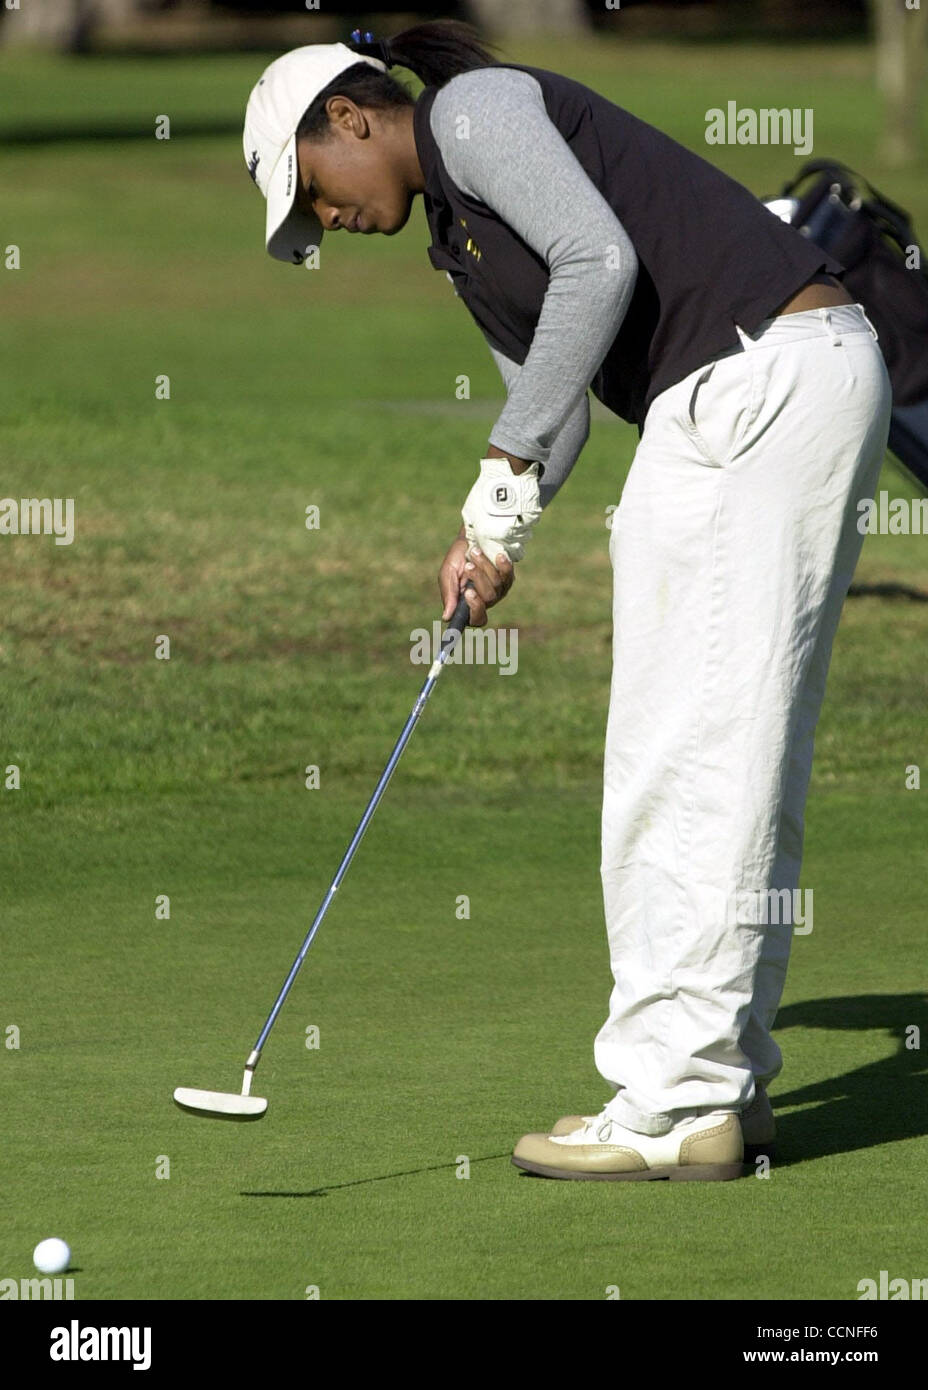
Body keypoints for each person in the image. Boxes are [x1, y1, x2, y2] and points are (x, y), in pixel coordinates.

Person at [242, 19, 892, 1181]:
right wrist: (491, 531)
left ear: (349, 117)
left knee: (703, 751)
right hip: (734, 395)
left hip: (759, 378)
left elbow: (601, 264)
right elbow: (562, 404)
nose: (321, 222)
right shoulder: (459, 244)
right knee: (688, 749)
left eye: (310, 192)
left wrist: (500, 476)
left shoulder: (473, 115)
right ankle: (718, 1081)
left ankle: (673, 1102)